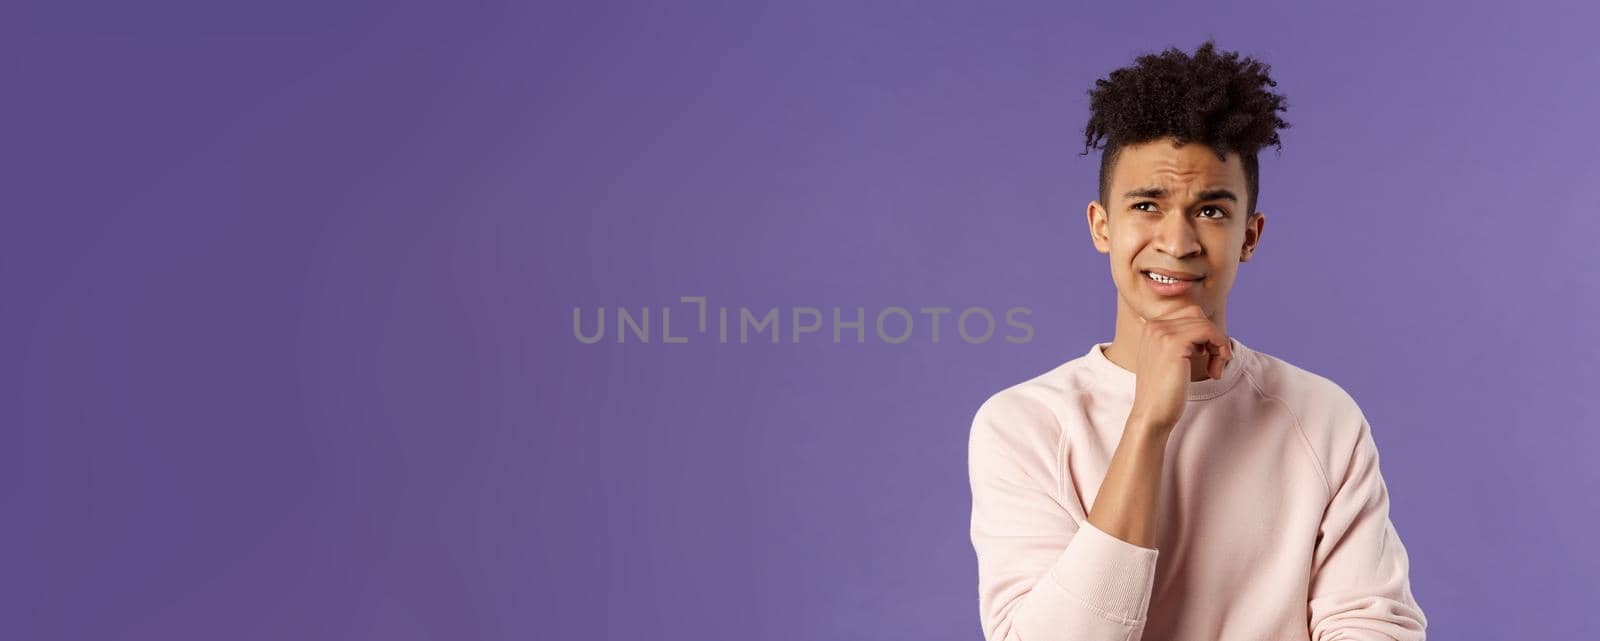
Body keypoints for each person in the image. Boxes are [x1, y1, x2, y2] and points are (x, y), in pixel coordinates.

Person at [967, 40, 1427, 640]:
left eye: (1211, 211)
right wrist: (1147, 425)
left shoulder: (1322, 417)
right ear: (1101, 226)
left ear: (1250, 236)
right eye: (1147, 205)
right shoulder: (1024, 424)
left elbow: (1375, 627)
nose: (1178, 241)